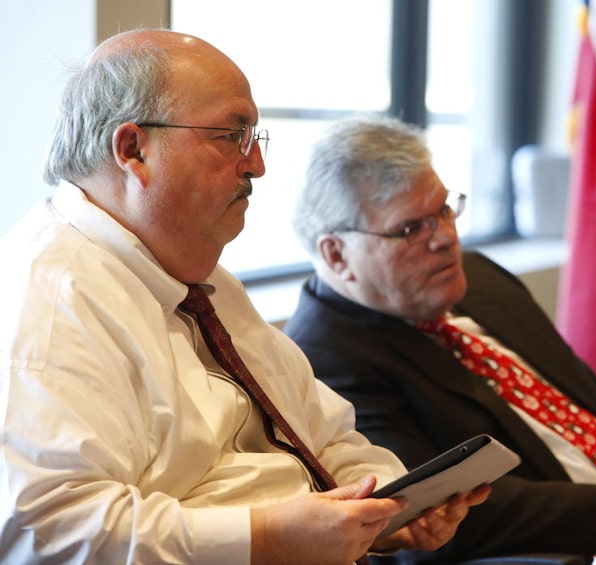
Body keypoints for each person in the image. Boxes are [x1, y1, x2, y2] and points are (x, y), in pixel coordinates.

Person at [0, 30, 490, 565]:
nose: (257, 164)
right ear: (133, 150)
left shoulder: (203, 278)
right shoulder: (49, 297)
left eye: (255, 136)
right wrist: (262, 538)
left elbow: (322, 435)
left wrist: (387, 505)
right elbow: (48, 531)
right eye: (231, 135)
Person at [284, 114, 596, 563]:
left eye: (444, 209)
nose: (446, 237)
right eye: (410, 229)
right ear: (337, 254)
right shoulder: (324, 356)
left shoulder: (479, 280)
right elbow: (432, 511)